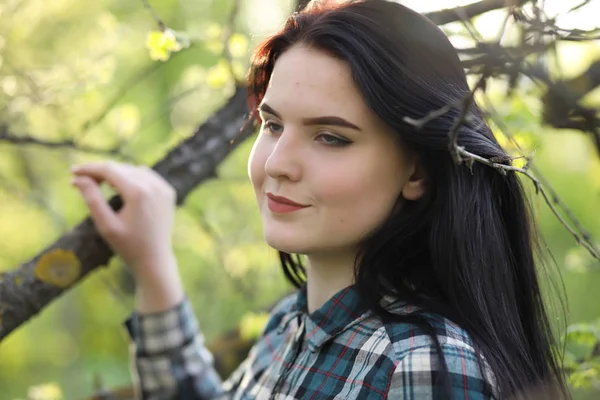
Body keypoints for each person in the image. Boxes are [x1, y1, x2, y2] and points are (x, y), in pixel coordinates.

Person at [71, 0, 569, 398]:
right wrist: (153, 264)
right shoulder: (290, 327)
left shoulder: (420, 364)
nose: (277, 163)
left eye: (331, 137)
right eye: (273, 125)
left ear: (416, 170)